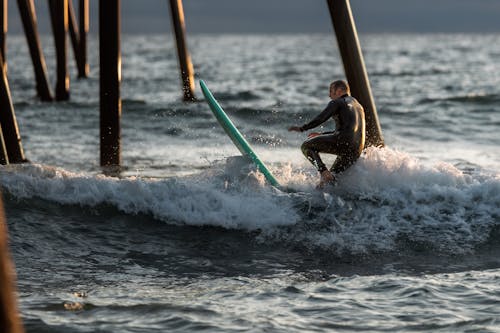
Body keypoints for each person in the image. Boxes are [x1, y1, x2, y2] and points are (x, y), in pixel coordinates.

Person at [288, 80, 365, 188]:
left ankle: (323, 171)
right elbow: (349, 131)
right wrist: (322, 134)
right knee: (331, 181)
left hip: (343, 141)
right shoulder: (358, 106)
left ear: (338, 91)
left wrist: (302, 128)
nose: (329, 95)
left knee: (306, 146)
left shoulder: (338, 102)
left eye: (331, 91)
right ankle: (327, 199)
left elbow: (321, 118)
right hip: (356, 150)